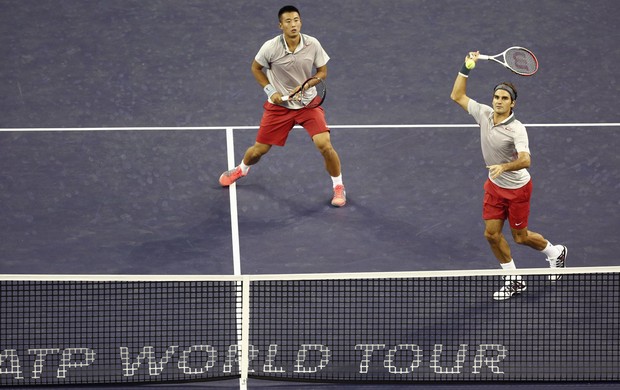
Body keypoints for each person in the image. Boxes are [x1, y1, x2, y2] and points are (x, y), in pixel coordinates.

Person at [450, 51, 567, 300]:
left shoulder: (517, 128)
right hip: (494, 186)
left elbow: (526, 160)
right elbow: (457, 95)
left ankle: (555, 253)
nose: (499, 101)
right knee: (491, 234)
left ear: (512, 103)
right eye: (496, 97)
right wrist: (466, 66)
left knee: (520, 237)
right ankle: (514, 279)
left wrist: (504, 166)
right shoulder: (483, 113)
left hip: (517, 189)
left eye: (504, 98)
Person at [218, 5, 346, 207]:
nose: (293, 24)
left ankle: (338, 186)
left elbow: (322, 72)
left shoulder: (313, 44)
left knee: (325, 145)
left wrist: (305, 86)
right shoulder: (270, 47)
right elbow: (255, 68)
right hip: (280, 108)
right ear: (281, 25)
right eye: (288, 21)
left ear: (300, 22)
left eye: (296, 20)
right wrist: (271, 91)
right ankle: (242, 169)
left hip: (307, 104)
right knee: (258, 151)